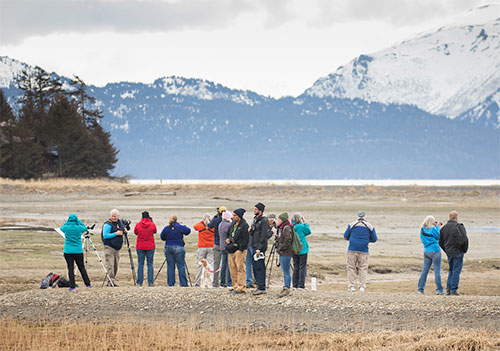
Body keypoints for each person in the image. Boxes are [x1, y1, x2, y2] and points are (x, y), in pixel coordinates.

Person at [343, 211, 377, 292]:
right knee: (363, 268)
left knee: (351, 268)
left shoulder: (352, 225)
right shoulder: (370, 226)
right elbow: (374, 239)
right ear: (365, 216)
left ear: (357, 216)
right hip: (364, 250)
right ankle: (362, 286)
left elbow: (345, 236)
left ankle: (351, 286)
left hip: (352, 249)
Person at [439, 211, 469, 296]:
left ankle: (449, 288)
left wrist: (447, 250)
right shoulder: (459, 226)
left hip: (449, 252)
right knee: (456, 270)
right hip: (458, 252)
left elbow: (440, 242)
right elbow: (464, 240)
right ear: (456, 218)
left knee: (451, 270)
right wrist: (463, 250)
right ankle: (453, 289)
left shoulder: (444, 228)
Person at [61, 213, 91, 291]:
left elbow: (62, 227)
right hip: (78, 250)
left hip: (68, 251)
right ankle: (87, 284)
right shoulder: (79, 228)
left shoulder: (66, 227)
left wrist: (68, 222)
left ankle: (72, 286)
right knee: (81, 267)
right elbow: (84, 227)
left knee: (70, 268)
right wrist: (78, 221)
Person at [160, 215, 191, 287]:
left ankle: (171, 284)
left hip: (168, 247)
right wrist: (183, 226)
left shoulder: (166, 228)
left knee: (170, 266)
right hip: (178, 247)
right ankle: (183, 283)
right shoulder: (180, 227)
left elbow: (162, 237)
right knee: (181, 265)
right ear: (176, 220)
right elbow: (188, 231)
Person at [417, 215, 444, 295]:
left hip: (426, 251)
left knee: (425, 270)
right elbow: (439, 236)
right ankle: (439, 290)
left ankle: (420, 288)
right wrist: (438, 227)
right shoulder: (433, 229)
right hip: (435, 251)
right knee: (437, 271)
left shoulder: (422, 230)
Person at [226, 208, 249, 294]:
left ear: (239, 216)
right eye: (233, 215)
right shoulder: (232, 225)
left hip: (239, 250)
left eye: (235, 215)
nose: (233, 217)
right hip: (231, 249)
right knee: (232, 268)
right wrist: (228, 240)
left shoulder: (244, 225)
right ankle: (235, 285)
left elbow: (245, 239)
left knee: (240, 268)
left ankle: (241, 287)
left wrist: (240, 248)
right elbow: (228, 234)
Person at [102, 209, 126, 286]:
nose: (113, 217)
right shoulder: (108, 224)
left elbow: (122, 229)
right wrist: (116, 233)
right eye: (112, 216)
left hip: (117, 248)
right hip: (109, 247)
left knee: (115, 265)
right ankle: (110, 282)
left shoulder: (119, 222)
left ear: (118, 216)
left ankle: (112, 280)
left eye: (115, 216)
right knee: (110, 265)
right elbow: (105, 236)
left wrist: (124, 230)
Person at [249, 202, 269, 295]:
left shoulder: (264, 221)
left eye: (256, 209)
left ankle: (262, 287)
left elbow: (264, 236)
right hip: (254, 245)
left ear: (260, 211)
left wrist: (260, 248)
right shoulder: (255, 219)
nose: (254, 211)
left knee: (260, 267)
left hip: (259, 248)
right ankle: (258, 285)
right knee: (255, 267)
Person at [133, 211, 157, 287]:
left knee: (140, 264)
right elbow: (155, 231)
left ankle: (139, 282)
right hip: (150, 246)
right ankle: (150, 282)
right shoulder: (152, 224)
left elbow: (135, 232)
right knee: (150, 264)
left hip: (140, 246)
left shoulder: (138, 225)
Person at [291, 213, 311, 290]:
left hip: (294, 250)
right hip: (302, 249)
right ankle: (301, 285)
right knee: (302, 267)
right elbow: (308, 231)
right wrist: (305, 223)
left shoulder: (291, 227)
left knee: (296, 267)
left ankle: (295, 285)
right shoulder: (301, 227)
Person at [193, 214, 215, 287]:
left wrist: (202, 222)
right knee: (210, 265)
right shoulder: (213, 227)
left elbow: (195, 227)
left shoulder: (200, 226)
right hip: (211, 246)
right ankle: (210, 282)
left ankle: (198, 282)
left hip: (202, 246)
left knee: (199, 265)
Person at [276, 212, 293, 297]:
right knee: (285, 271)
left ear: (282, 220)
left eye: (279, 219)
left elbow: (288, 240)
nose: (278, 221)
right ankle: (286, 287)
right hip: (284, 252)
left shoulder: (286, 228)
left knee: (286, 271)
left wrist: (281, 247)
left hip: (286, 253)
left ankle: (287, 288)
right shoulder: (283, 227)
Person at [208, 206, 225, 287]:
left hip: (217, 243)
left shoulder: (216, 219)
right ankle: (224, 282)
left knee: (216, 264)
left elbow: (209, 226)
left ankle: (215, 283)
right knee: (225, 264)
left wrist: (215, 217)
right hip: (225, 244)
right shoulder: (227, 220)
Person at [218, 210, 233, 288]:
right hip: (227, 247)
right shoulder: (229, 225)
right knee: (229, 265)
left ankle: (222, 283)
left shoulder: (220, 224)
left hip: (222, 246)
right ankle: (229, 283)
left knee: (223, 265)